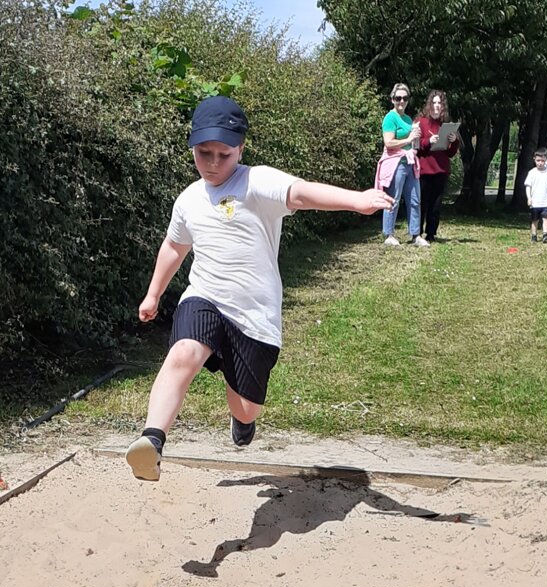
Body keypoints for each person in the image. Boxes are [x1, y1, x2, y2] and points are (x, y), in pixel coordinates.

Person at [125, 95, 393, 481]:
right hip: (205, 296)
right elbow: (174, 247)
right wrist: (154, 294)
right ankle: (152, 441)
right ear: (192, 147)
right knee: (183, 352)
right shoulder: (188, 200)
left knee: (247, 407)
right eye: (204, 153)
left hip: (254, 317)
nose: (213, 163)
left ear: (241, 149)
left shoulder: (256, 182)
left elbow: (301, 193)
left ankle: (242, 419)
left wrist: (357, 200)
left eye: (224, 154)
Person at [374, 83, 422, 246]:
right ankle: (388, 234)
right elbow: (388, 142)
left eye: (405, 98)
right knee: (393, 199)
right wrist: (409, 139)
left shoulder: (408, 119)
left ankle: (415, 235)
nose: (401, 101)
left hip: (410, 162)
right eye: (398, 98)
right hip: (396, 164)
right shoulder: (390, 118)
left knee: (415, 199)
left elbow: (412, 142)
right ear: (392, 99)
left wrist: (415, 140)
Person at [416, 89, 459, 244]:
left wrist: (454, 141)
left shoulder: (445, 125)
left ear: (443, 106)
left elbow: (450, 153)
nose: (436, 106)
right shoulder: (421, 122)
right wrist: (429, 141)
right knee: (422, 203)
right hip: (424, 171)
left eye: (439, 103)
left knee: (436, 205)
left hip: (441, 170)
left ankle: (431, 233)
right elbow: (416, 146)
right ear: (429, 104)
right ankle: (417, 233)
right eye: (434, 102)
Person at [524, 148, 547, 244]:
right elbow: (528, 187)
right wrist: (529, 198)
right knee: (535, 220)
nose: (540, 163)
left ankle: (545, 235)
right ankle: (534, 235)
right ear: (534, 159)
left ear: (546, 160)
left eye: (542, 161)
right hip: (535, 202)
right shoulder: (532, 172)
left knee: (546, 218)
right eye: (538, 160)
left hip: (546, 201)